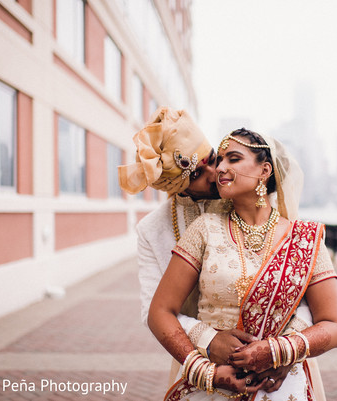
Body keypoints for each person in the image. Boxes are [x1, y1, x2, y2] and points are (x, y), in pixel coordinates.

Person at [118, 108, 310, 390]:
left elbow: (300, 279)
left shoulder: (251, 199)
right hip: (198, 358)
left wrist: (284, 354)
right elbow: (154, 311)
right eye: (197, 172)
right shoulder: (152, 231)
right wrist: (209, 342)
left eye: (212, 158)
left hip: (278, 367)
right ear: (178, 187)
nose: (216, 172)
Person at [148, 128, 337, 400]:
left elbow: (333, 325)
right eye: (220, 160)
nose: (220, 168)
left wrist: (279, 353)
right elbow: (159, 312)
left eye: (234, 159)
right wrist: (206, 372)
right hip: (214, 385)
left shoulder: (304, 237)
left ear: (265, 170)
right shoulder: (204, 229)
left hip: (281, 386)